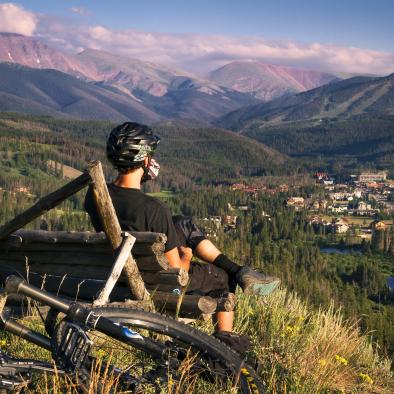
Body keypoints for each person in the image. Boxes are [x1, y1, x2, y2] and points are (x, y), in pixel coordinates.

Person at [84, 122, 280, 353]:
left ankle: (241, 270)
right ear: (145, 160)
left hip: (117, 270)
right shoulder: (154, 209)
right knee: (220, 277)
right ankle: (224, 347)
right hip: (150, 282)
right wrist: (186, 256)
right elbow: (176, 274)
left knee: (182, 224)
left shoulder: (96, 195)